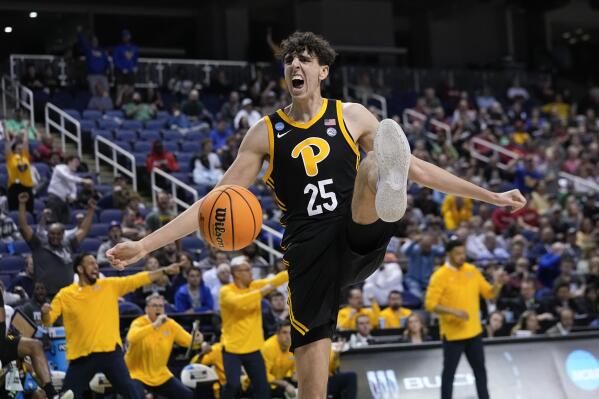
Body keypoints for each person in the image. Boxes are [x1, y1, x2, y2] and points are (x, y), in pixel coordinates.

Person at [107, 32, 525, 399]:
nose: (294, 64)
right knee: (312, 390)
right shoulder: (265, 133)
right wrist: (144, 245)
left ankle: (387, 187)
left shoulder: (352, 114)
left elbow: (420, 169)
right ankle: (386, 187)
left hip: (354, 229)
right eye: (290, 59)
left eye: (305, 58)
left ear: (323, 70)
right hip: (307, 254)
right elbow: (213, 202)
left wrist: (490, 196)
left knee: (373, 165)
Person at [42, 253, 180, 398]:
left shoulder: (108, 285)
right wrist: (45, 313)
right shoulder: (65, 294)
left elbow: (137, 279)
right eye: (90, 263)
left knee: (132, 394)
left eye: (96, 263)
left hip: (110, 352)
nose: (95, 266)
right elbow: (48, 320)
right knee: (67, 395)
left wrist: (164, 271)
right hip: (82, 355)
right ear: (80, 269)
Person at [425, 239, 505, 399]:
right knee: (449, 374)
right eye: (458, 254)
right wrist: (453, 311)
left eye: (463, 253)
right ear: (449, 254)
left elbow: (489, 294)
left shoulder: (472, 270)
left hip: (474, 332)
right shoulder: (439, 276)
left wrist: (497, 283)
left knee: (480, 371)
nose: (462, 256)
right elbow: (430, 304)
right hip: (453, 335)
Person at [214, 256, 288, 398]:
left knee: (263, 389)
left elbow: (275, 281)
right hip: (232, 348)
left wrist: (296, 267)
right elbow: (238, 302)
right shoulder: (226, 291)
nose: (251, 273)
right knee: (232, 385)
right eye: (247, 270)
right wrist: (262, 292)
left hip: (253, 348)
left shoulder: (254, 286)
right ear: (237, 273)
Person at [0, 286, 73, 399]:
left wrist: (10, 337)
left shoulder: (9, 310)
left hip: (7, 355)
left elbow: (14, 333)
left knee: (33, 348)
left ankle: (51, 394)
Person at [126, 293, 202, 399]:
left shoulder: (170, 324)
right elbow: (132, 338)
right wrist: (154, 325)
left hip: (160, 374)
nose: (158, 309)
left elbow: (189, 342)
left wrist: (197, 340)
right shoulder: (139, 323)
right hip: (137, 375)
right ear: (146, 309)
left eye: (161, 306)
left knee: (187, 395)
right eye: (154, 306)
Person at [19, 193, 95, 296]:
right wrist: (22, 204)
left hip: (67, 295)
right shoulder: (38, 244)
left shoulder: (68, 244)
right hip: (45, 296)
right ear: (48, 233)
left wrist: (91, 210)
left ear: (63, 234)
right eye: (52, 234)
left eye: (58, 234)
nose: (55, 237)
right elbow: (23, 227)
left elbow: (83, 229)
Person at [47, 155, 94, 224]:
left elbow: (73, 188)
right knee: (53, 223)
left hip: (65, 201)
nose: (78, 164)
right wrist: (83, 180)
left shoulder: (72, 175)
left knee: (65, 223)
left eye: (78, 162)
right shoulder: (59, 168)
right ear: (69, 161)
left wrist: (73, 196)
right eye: (76, 162)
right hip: (54, 199)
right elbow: (67, 177)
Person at [261, 320, 297, 398]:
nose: (288, 336)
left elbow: (295, 373)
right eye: (284, 332)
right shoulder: (268, 347)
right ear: (277, 334)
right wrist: (286, 385)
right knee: (264, 388)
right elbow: (263, 375)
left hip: (279, 381)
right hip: (260, 383)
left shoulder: (294, 347)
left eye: (291, 333)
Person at [5, 129, 34, 213]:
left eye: (22, 149)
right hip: (14, 188)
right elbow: (7, 142)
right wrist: (5, 128)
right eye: (18, 149)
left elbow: (25, 142)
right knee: (14, 211)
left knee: (29, 212)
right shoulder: (11, 158)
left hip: (27, 187)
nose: (21, 150)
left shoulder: (26, 157)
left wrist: (25, 130)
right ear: (14, 150)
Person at [77, 26, 110, 93]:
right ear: (91, 41)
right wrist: (79, 32)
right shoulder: (88, 49)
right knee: (94, 93)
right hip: (92, 75)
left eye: (96, 40)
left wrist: (108, 70)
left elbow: (106, 62)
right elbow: (82, 41)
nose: (95, 42)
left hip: (102, 75)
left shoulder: (102, 51)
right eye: (93, 40)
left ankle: (105, 103)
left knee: (106, 92)